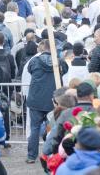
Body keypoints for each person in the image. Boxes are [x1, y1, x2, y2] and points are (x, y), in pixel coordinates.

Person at [25, 37, 67, 165]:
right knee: (54, 128)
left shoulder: (35, 61)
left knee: (35, 128)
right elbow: (65, 70)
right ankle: (53, 153)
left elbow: (30, 70)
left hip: (36, 99)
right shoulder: (59, 62)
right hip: (52, 99)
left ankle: (32, 155)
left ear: (42, 48)